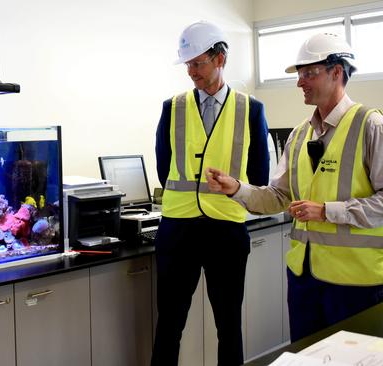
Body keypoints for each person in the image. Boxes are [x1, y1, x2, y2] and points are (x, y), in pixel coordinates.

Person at [206, 32, 383, 342]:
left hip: (356, 285)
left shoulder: (372, 126)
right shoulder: (299, 135)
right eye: (300, 74)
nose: (300, 82)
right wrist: (236, 188)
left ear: (337, 73)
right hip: (304, 282)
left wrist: (328, 211)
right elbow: (278, 197)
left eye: (309, 73)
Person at [152, 21, 270, 365]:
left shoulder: (251, 110)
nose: (191, 72)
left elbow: (259, 175)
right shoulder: (171, 108)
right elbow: (164, 168)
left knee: (229, 325)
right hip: (177, 230)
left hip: (226, 231)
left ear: (220, 59)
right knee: (169, 325)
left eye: (197, 63)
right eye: (187, 64)